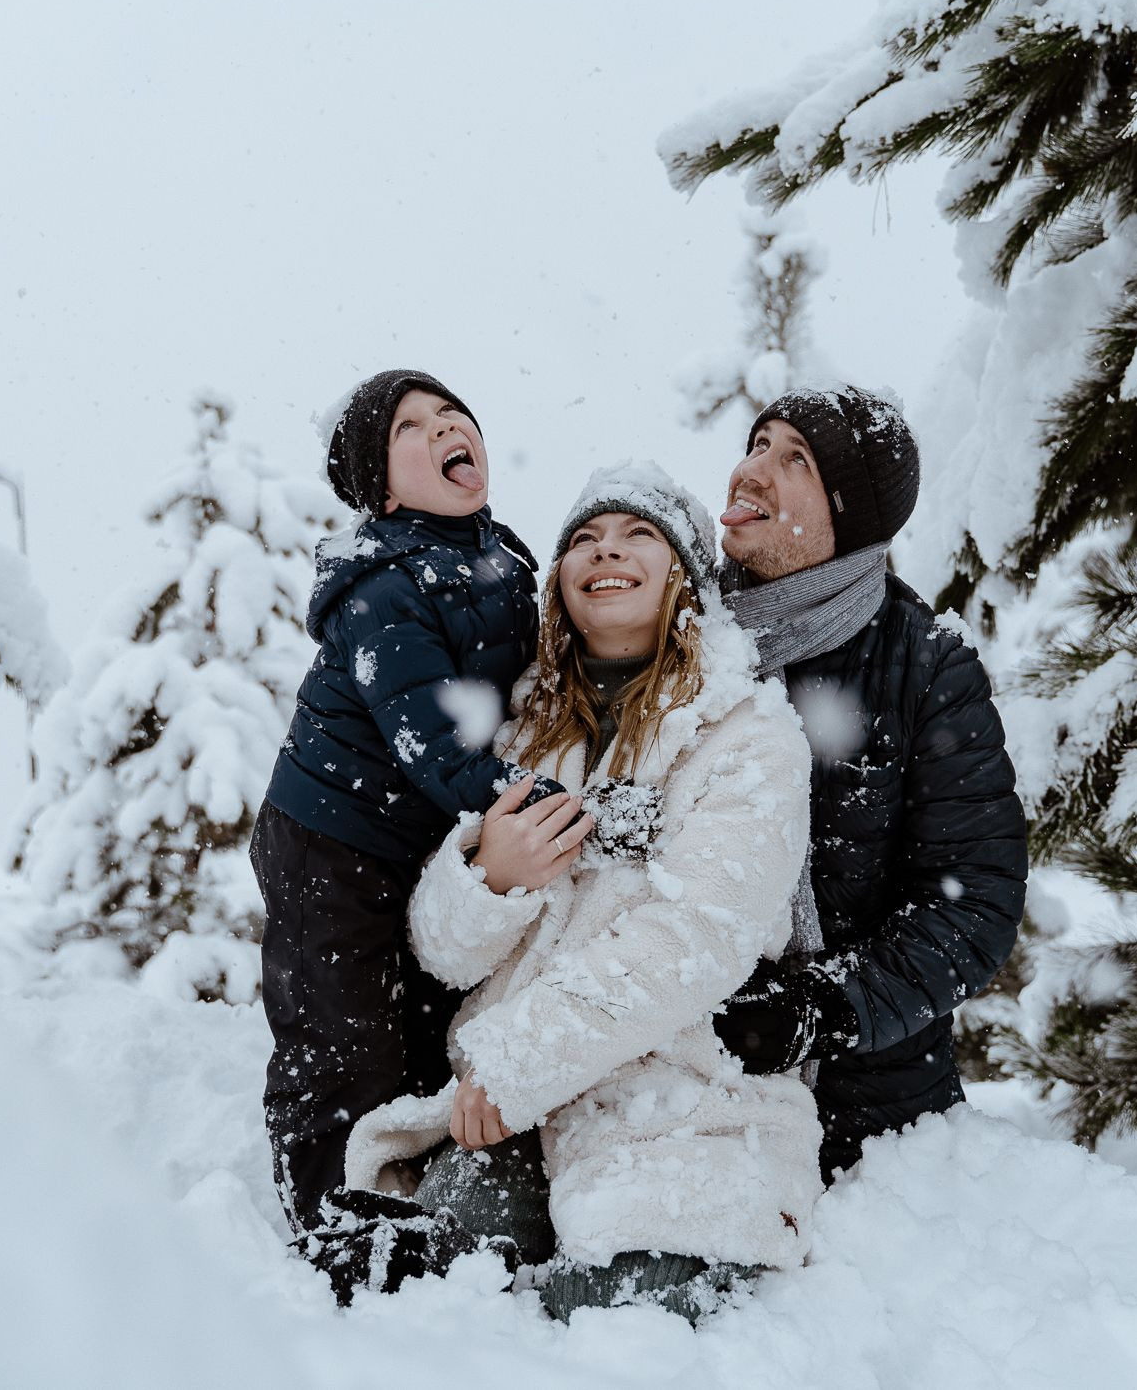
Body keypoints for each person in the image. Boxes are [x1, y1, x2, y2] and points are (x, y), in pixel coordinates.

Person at [327, 463, 821, 1322]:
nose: (606, 553)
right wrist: (490, 878)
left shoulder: (749, 734)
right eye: (584, 541)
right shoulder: (524, 730)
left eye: (638, 536)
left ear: (685, 576)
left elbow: (697, 938)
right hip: (510, 1114)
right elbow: (442, 950)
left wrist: (515, 1059)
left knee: (599, 1313)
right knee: (435, 1290)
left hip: (678, 1097)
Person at [254, 369, 575, 1237]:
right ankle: (332, 1216)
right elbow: (439, 748)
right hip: (328, 840)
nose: (442, 429)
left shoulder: (500, 553)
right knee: (343, 1034)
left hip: (413, 838)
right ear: (382, 492)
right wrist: (557, 804)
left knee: (426, 1018)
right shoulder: (385, 590)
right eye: (410, 428)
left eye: (449, 413)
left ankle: (414, 1176)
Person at [709, 386, 1028, 1180]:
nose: (753, 471)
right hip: (686, 1094)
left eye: (795, 460)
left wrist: (823, 1009)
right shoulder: (686, 637)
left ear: (846, 517)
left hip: (867, 1134)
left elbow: (974, 902)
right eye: (758, 443)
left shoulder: (926, 668)